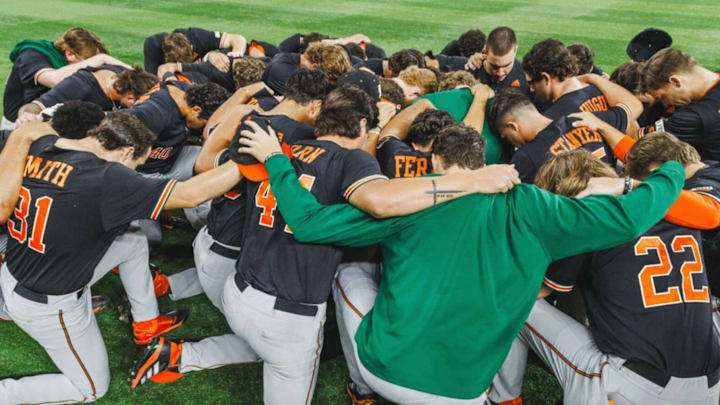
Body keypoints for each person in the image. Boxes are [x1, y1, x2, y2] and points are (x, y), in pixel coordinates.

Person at [222, 117, 684, 404]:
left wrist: (277, 160)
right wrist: (671, 167)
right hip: (464, 390)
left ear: (435, 162)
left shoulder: (413, 203)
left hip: (385, 371)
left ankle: (359, 392)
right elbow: (629, 217)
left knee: (348, 274)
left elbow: (308, 223)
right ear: (483, 162)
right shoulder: (534, 206)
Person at [128, 85, 520, 404]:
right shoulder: (354, 163)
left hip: (238, 288)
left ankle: (181, 355)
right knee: (284, 354)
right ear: (362, 125)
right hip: (287, 312)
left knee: (265, 346)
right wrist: (470, 181)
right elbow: (381, 202)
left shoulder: (285, 147)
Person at [0, 112, 245, 404]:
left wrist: (24, 133)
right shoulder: (109, 177)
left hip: (19, 266)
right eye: (135, 164)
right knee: (90, 389)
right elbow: (191, 195)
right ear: (126, 151)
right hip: (49, 299)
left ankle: (146, 323)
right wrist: (247, 161)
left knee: (132, 241)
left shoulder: (43, 145)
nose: (134, 171)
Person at [489, 142, 720, 405]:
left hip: (635, 387)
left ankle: (504, 400)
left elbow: (542, 290)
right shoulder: (673, 207)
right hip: (710, 386)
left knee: (518, 305)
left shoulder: (588, 215)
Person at [156, 68, 331, 309]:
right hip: (233, 250)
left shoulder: (245, 114)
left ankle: (166, 284)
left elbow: (203, 160)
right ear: (315, 105)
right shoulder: (307, 137)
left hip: (209, 231)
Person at [487, 72, 642, 183]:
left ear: (513, 126)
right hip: (620, 201)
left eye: (507, 136)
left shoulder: (526, 157)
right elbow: (634, 105)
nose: (512, 143)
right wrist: (592, 77)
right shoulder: (587, 120)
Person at [4, 27, 129, 128]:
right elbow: (55, 80)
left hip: (49, 123)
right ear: (69, 54)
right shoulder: (33, 54)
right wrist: (101, 59)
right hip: (17, 125)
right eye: (87, 63)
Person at [640, 47, 720, 161]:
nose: (666, 104)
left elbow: (637, 144)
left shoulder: (695, 116)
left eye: (662, 97)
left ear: (675, 81)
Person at [18, 65, 158, 120]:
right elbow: (36, 106)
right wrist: (25, 117)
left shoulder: (126, 76)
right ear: (130, 97)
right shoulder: (78, 85)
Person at [523, 39, 608, 120]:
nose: (531, 89)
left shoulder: (554, 120)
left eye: (531, 83)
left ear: (546, 78)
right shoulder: (604, 93)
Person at [143, 27, 248, 75]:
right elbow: (152, 82)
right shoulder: (153, 45)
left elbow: (237, 38)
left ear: (192, 47)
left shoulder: (198, 37)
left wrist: (236, 54)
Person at [466, 27, 531, 96]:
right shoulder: (470, 71)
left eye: (506, 65)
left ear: (515, 51)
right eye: (494, 66)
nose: (500, 73)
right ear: (485, 50)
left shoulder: (527, 78)